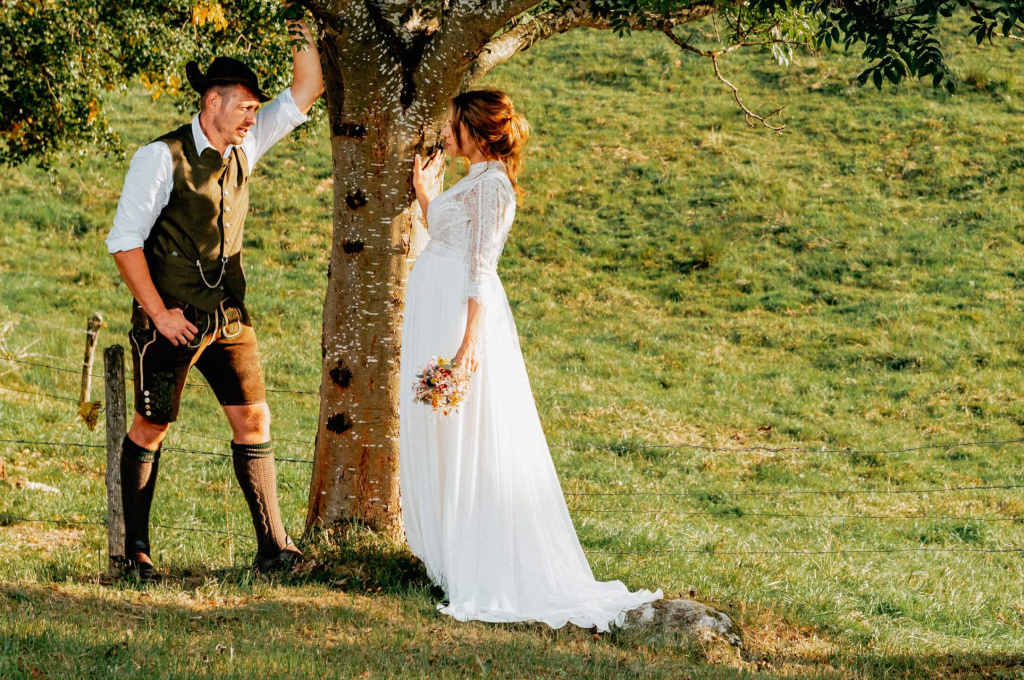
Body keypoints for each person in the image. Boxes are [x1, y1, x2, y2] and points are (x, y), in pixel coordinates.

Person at [400, 89, 662, 630]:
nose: (445, 133)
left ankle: (481, 562)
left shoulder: (494, 189)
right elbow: (450, 237)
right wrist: (427, 197)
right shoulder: (473, 181)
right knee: (446, 437)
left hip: (461, 320)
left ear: (475, 129)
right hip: (438, 308)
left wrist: (468, 344)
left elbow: (480, 269)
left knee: (470, 435)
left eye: (452, 125)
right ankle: (450, 554)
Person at [104, 9, 324, 580]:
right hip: (169, 318)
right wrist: (158, 313)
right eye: (245, 106)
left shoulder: (244, 148)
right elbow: (125, 242)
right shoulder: (160, 158)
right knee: (154, 424)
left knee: (254, 418)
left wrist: (301, 19)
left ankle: (274, 550)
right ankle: (137, 556)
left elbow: (306, 89)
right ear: (213, 102)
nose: (254, 116)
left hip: (229, 315)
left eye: (256, 108)